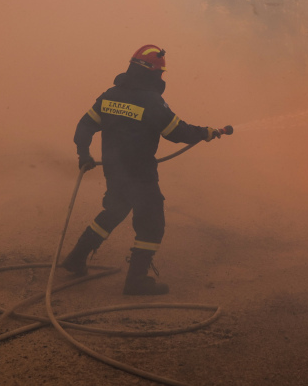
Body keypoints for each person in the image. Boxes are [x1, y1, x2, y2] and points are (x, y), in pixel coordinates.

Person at [61, 44, 226, 296]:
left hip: (114, 169)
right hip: (139, 173)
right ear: (152, 73)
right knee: (151, 224)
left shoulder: (110, 95)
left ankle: (76, 258)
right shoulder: (151, 101)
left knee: (115, 210)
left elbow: (84, 126)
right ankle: (136, 281)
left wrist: (84, 153)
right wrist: (205, 132)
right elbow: (176, 131)